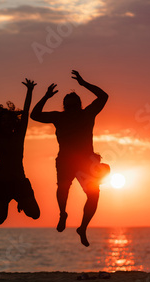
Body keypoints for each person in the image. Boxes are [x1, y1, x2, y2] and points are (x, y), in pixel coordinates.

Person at [31, 70, 110, 247]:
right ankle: (63, 214)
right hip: (67, 160)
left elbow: (104, 96)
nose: (72, 106)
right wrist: (45, 97)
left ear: (78, 105)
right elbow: (34, 115)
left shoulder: (85, 114)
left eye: (74, 104)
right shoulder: (61, 116)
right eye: (69, 104)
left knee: (93, 195)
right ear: (66, 106)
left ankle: (82, 227)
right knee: (64, 188)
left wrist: (83, 83)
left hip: (86, 162)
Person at [0, 79, 40, 225]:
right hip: (1, 182)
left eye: (9, 120)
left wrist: (30, 91)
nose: (6, 123)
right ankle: (7, 203)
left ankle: (22, 203)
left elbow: (25, 115)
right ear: (0, 123)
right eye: (3, 120)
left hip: (19, 181)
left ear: (13, 122)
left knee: (35, 214)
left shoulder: (18, 136)